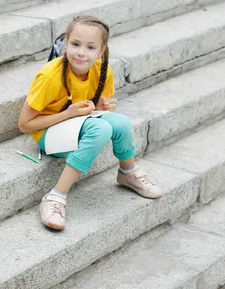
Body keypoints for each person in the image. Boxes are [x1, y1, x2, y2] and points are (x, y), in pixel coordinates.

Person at [18, 16, 164, 231]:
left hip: (75, 126)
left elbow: (90, 110)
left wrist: (101, 109)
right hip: (47, 135)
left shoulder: (102, 71)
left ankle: (127, 172)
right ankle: (56, 196)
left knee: (121, 122)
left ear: (101, 51)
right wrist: (68, 113)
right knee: (101, 127)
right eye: (75, 44)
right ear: (66, 43)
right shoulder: (50, 76)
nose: (81, 52)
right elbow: (24, 125)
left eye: (90, 47)